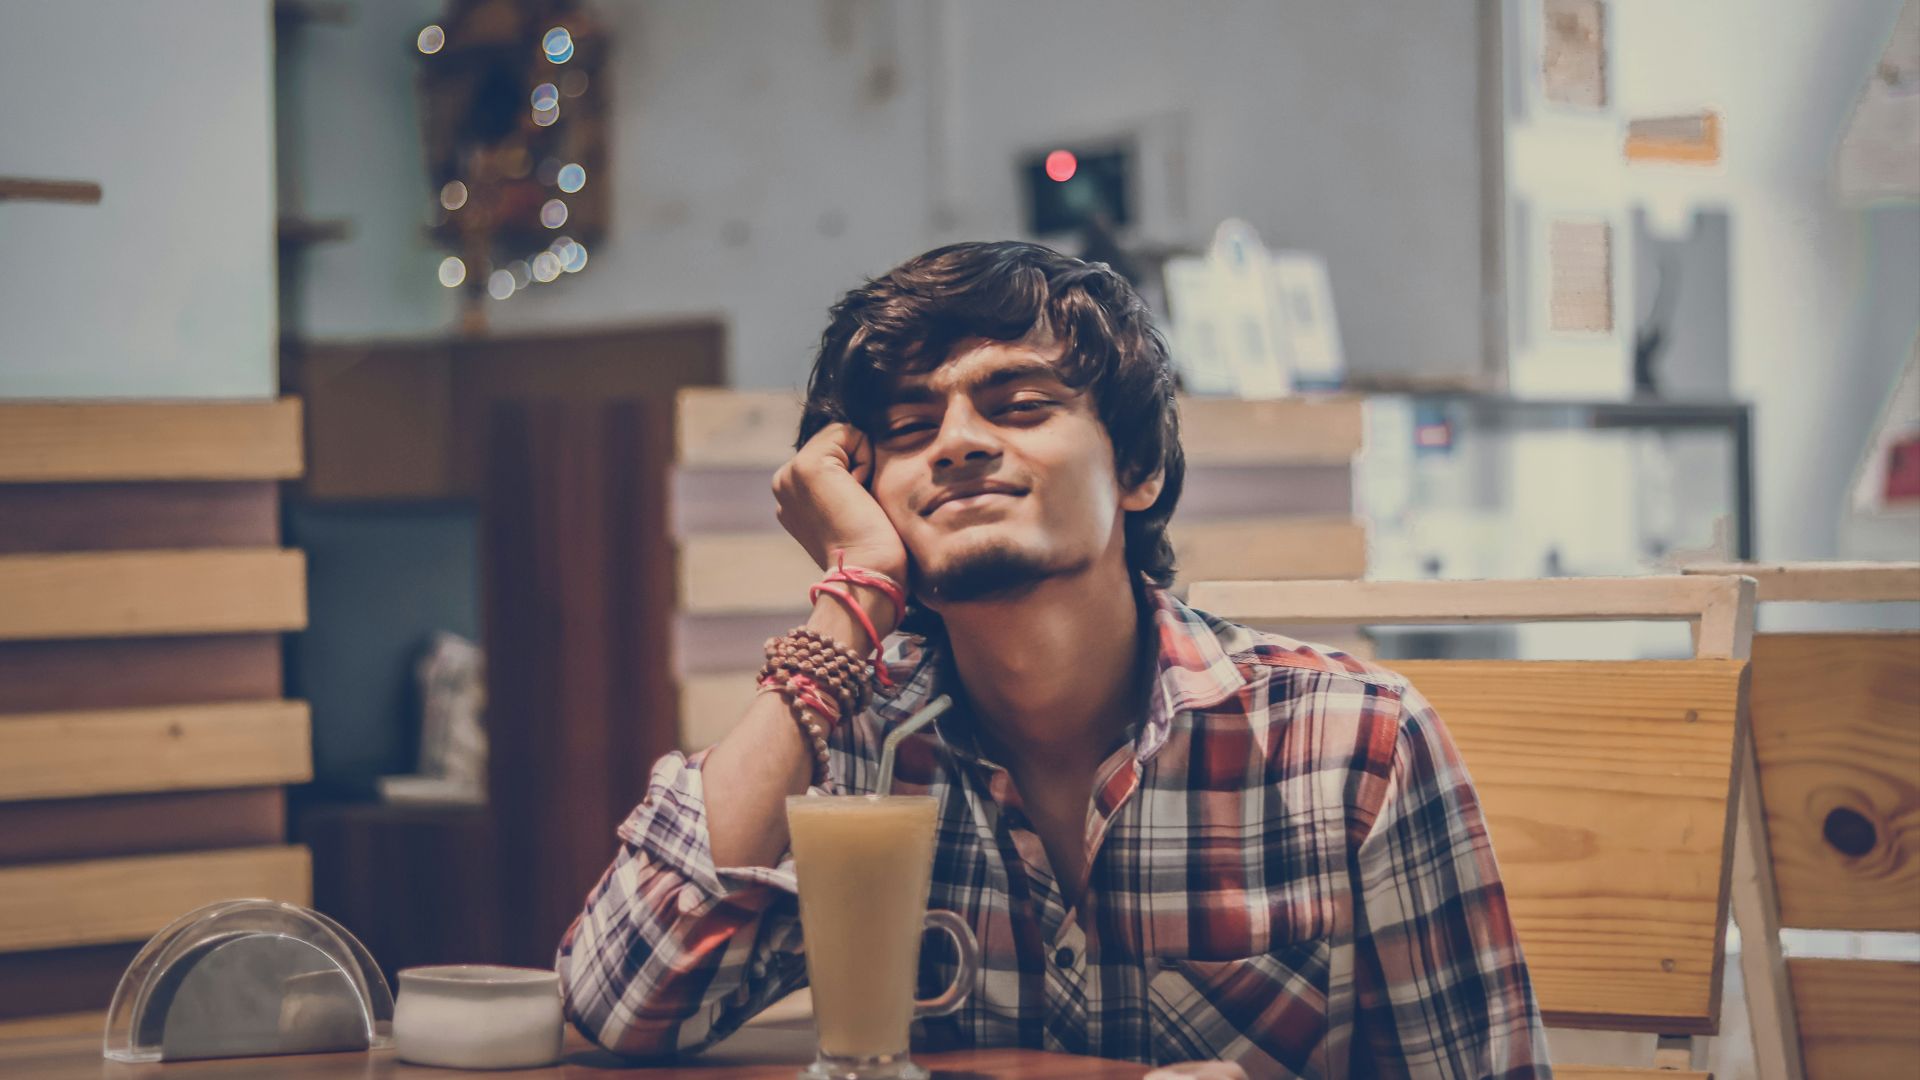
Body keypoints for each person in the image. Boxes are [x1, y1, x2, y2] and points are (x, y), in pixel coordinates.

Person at [556, 242, 1550, 1077]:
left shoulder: (1352, 745)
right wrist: (852, 598)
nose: (955, 444)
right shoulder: (853, 749)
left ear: (1141, 468)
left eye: (1019, 405)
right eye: (909, 429)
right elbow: (613, 1003)